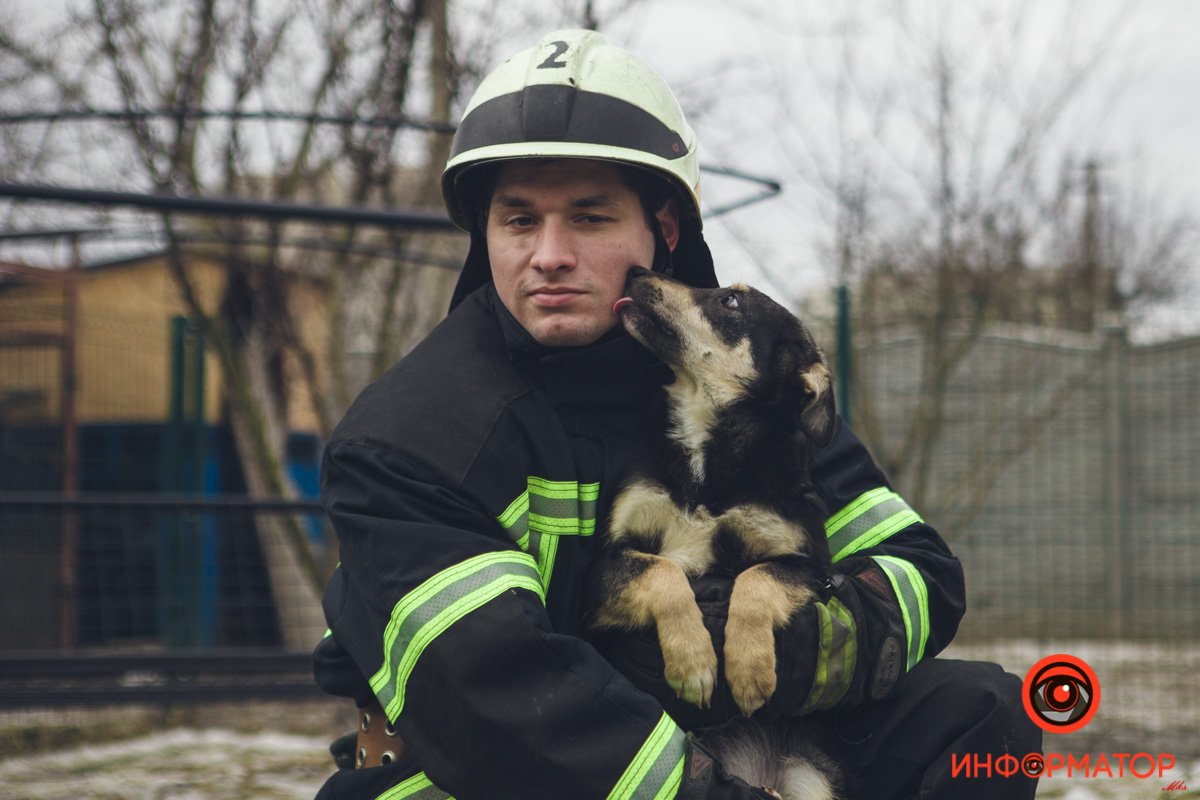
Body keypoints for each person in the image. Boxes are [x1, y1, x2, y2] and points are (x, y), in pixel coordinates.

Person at [312, 28, 1041, 800]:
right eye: (519, 220)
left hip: (755, 736)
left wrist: (793, 648)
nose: (549, 254)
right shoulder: (409, 436)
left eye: (589, 218)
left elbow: (921, 575)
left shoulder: (739, 386)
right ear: (485, 233)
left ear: (662, 232)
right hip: (486, 769)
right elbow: (498, 701)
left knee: (980, 716)